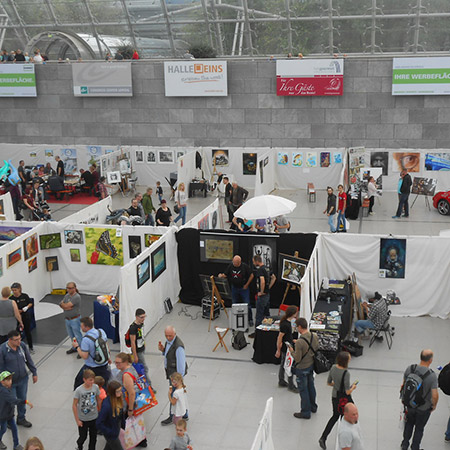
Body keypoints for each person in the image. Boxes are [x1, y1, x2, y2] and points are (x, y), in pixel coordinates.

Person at [400, 349, 439, 450]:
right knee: (419, 428)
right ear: (430, 360)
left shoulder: (410, 369)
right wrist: (434, 406)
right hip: (423, 408)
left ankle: (404, 444)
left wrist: (404, 399)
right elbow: (434, 395)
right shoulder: (432, 376)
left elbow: (403, 385)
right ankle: (415, 447)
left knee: (409, 424)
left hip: (409, 405)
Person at [319, 351, 358, 449]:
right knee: (347, 417)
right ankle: (346, 440)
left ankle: (323, 437)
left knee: (335, 416)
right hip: (344, 399)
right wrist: (353, 387)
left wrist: (337, 385)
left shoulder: (333, 367)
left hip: (335, 397)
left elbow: (329, 382)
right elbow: (347, 392)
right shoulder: (346, 373)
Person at [0, 330, 37, 428]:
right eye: (16, 340)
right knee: (11, 402)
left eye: (20, 338)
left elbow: (28, 360)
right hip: (10, 383)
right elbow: (1, 367)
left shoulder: (22, 346)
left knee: (22, 399)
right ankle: (9, 420)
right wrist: (5, 382)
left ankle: (21, 418)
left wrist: (34, 372)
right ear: (10, 340)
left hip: (23, 379)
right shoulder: (2, 350)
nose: (19, 341)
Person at [113, 353, 147, 447]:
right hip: (133, 402)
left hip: (127, 403)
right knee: (135, 422)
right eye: (115, 362)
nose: (116, 365)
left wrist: (130, 409)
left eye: (119, 363)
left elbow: (131, 393)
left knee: (127, 423)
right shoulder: (131, 367)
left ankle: (129, 441)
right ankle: (141, 440)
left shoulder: (126, 375)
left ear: (125, 362)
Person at [158, 326, 188, 425]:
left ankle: (172, 416)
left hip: (175, 377)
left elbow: (181, 365)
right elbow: (169, 354)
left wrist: (178, 381)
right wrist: (163, 350)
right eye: (166, 336)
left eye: (170, 336)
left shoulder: (178, 347)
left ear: (175, 334)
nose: (168, 338)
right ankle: (185, 414)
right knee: (181, 395)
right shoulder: (169, 342)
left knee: (174, 395)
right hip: (172, 373)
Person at [72, 317, 111, 390]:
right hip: (103, 364)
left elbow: (85, 356)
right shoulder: (101, 332)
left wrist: (77, 347)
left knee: (78, 381)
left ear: (86, 327)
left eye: (81, 326)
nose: (81, 328)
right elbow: (106, 346)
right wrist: (108, 358)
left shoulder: (86, 339)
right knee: (103, 384)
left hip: (92, 367)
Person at [292, 317, 319, 419]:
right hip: (311, 365)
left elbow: (297, 358)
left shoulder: (300, 342)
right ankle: (313, 406)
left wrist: (291, 350)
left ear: (300, 327)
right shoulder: (314, 336)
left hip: (302, 368)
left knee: (303, 390)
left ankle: (305, 412)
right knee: (311, 386)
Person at [0, 370, 33, 450]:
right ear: (2, 382)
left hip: (10, 414)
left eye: (10, 379)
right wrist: (25, 401)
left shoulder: (8, 388)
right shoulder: (4, 392)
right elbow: (14, 400)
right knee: (3, 429)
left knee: (14, 429)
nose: (10, 381)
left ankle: (16, 445)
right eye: (8, 380)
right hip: (3, 415)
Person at [219, 255, 254, 327]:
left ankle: (250, 319)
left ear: (239, 262)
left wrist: (247, 284)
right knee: (234, 303)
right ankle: (234, 319)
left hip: (243, 288)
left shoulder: (244, 266)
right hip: (234, 288)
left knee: (247, 304)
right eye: (233, 262)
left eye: (235, 263)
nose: (234, 264)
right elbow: (225, 274)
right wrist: (221, 275)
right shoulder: (231, 266)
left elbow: (252, 275)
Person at [73, 369, 100, 450]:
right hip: (83, 419)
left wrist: (100, 411)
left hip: (94, 417)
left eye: (93, 380)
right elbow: (74, 405)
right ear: (84, 379)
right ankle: (79, 446)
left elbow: (98, 399)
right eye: (90, 380)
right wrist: (77, 420)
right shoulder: (79, 390)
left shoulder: (95, 387)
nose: (92, 382)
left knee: (93, 437)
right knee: (83, 436)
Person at [127, 309, 154, 388]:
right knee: (145, 368)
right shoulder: (133, 328)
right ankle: (149, 386)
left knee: (140, 368)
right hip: (137, 351)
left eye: (144, 317)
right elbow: (132, 342)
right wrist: (135, 355)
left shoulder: (141, 324)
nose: (143, 319)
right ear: (136, 317)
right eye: (141, 317)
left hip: (141, 348)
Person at [96, 380, 125, 450]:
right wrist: (109, 432)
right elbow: (98, 422)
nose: (121, 393)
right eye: (118, 391)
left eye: (120, 390)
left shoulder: (118, 399)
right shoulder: (107, 406)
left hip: (115, 429)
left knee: (109, 447)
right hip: (111, 434)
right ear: (112, 392)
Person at [275, 305, 298, 392]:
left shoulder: (287, 322)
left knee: (283, 364)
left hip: (288, 345)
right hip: (287, 348)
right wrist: (278, 350)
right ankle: (291, 385)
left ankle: (281, 380)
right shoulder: (285, 324)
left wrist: (292, 340)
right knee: (289, 365)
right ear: (292, 314)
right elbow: (280, 337)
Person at [59, 282, 83, 357]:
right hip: (67, 319)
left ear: (74, 288)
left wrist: (65, 306)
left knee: (77, 335)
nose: (68, 290)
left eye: (70, 288)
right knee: (71, 335)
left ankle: (81, 349)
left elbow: (66, 305)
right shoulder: (67, 296)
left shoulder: (76, 297)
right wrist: (65, 306)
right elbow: (61, 304)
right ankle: (74, 347)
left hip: (75, 319)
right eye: (67, 288)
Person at [10, 283, 34, 354]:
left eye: (15, 290)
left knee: (27, 331)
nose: (14, 292)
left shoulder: (24, 296)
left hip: (25, 316)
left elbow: (30, 303)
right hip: (16, 318)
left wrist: (26, 307)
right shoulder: (11, 298)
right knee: (17, 333)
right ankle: (18, 347)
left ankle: (30, 347)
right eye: (13, 290)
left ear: (19, 289)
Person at [251, 254, 270, 334]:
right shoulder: (267, 268)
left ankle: (257, 333)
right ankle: (267, 331)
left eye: (253, 262)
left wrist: (261, 292)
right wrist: (268, 288)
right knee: (266, 313)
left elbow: (262, 281)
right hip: (267, 294)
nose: (253, 263)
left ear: (257, 261)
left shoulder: (260, 270)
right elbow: (273, 277)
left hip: (262, 296)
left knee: (259, 314)